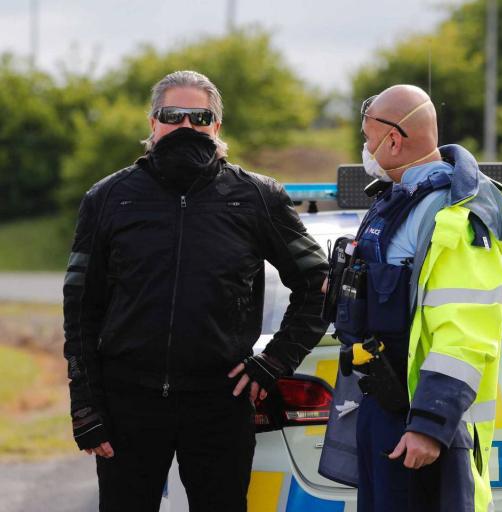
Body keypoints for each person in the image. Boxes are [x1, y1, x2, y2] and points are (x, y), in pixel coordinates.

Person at [63, 70, 329, 512]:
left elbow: (319, 286)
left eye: (199, 116)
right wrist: (85, 406)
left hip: (219, 405)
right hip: (129, 402)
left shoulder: (256, 196)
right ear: (153, 124)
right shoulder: (107, 198)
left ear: (216, 127)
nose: (186, 126)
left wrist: (275, 361)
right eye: (173, 115)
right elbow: (80, 310)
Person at [319, 84, 502, 511]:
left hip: (421, 422)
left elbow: (465, 334)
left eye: (367, 135)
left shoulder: (453, 219)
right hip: (385, 404)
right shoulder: (398, 202)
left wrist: (431, 424)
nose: (365, 145)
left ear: (393, 139)